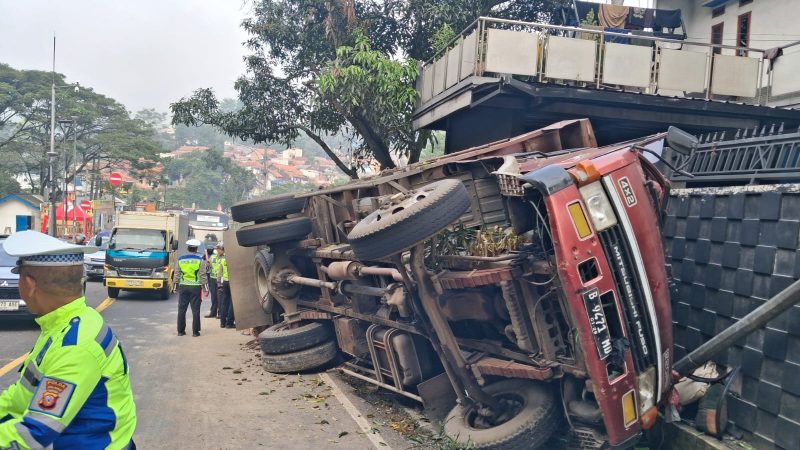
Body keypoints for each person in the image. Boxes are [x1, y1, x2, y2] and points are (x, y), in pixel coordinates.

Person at [0, 230, 137, 449]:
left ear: (29, 284)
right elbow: (23, 393)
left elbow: (35, 434)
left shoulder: (75, 346)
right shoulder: (70, 322)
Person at [173, 239, 208, 337]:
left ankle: (180, 331)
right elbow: (203, 275)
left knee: (181, 309)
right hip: (195, 288)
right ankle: (195, 332)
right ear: (196, 249)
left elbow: (177, 274)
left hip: (183, 287)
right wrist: (206, 289)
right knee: (195, 310)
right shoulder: (200, 260)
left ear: (188, 248)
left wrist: (175, 287)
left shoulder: (181, 259)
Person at [214, 243, 234, 329]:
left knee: (224, 302)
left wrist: (219, 284)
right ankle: (229, 323)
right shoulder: (233, 259)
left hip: (225, 282)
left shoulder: (223, 260)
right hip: (233, 282)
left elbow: (219, 273)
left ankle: (222, 322)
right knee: (232, 303)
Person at [204, 243, 222, 319]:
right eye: (217, 249)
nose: (218, 250)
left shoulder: (224, 258)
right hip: (212, 278)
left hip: (220, 279)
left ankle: (220, 313)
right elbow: (208, 267)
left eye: (219, 249)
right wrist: (207, 264)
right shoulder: (212, 257)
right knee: (214, 296)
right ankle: (213, 312)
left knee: (219, 297)